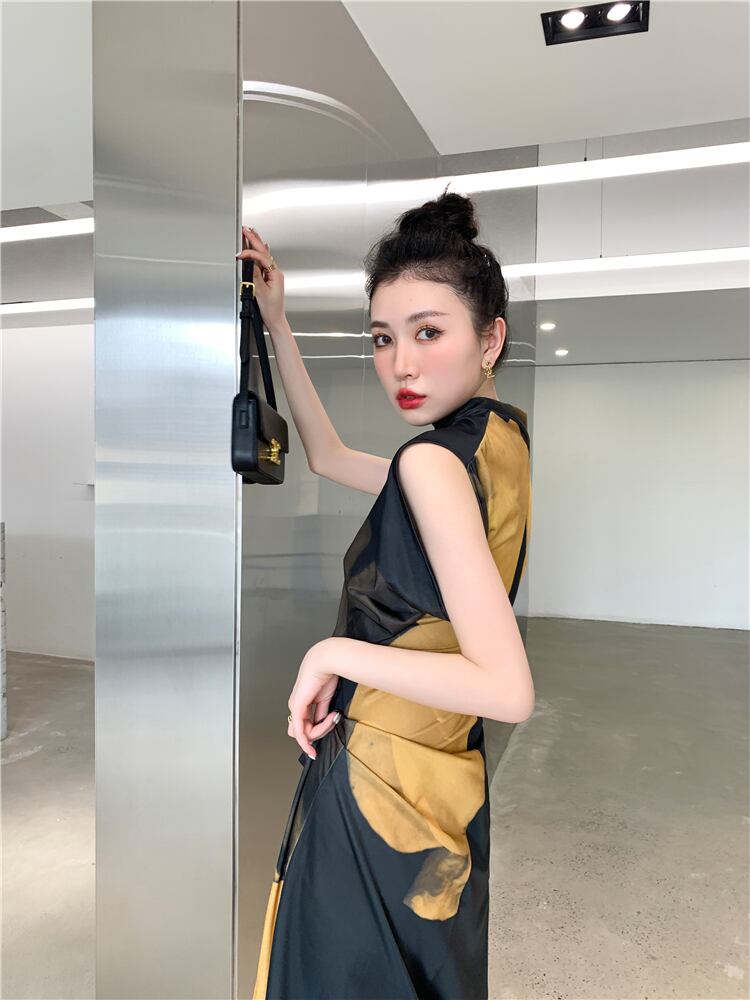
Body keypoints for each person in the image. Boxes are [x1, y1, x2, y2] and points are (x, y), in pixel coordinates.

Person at [236, 188, 535, 1000]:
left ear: (490, 337)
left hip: (379, 786)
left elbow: (508, 689)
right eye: (383, 338)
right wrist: (278, 322)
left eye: (428, 332)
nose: (401, 365)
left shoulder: (431, 464)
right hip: (444, 785)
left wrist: (332, 652)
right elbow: (330, 457)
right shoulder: (498, 439)